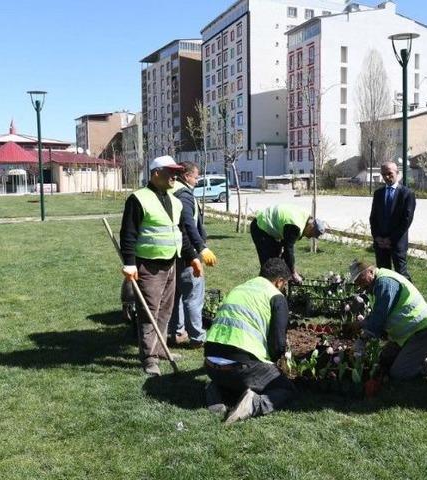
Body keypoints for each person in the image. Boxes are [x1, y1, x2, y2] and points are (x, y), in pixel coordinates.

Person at [120, 155, 204, 376]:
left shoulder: (174, 200)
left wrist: (193, 256)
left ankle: (160, 349)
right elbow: (128, 234)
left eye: (176, 172)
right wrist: (130, 264)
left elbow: (181, 233)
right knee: (149, 312)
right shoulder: (138, 199)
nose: (174, 176)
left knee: (166, 310)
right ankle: (149, 358)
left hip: (171, 264)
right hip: (148, 266)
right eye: (170, 172)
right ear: (156, 174)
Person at [203, 258, 297, 424]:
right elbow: (278, 345)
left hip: (210, 364)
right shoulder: (276, 297)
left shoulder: (239, 288)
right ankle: (254, 404)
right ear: (279, 281)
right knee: (285, 388)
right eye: (284, 285)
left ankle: (216, 389)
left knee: (232, 376)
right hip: (241, 369)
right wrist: (278, 364)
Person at [349, 261, 427, 380]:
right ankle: (422, 351)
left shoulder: (384, 283)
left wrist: (362, 340)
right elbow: (379, 311)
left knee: (399, 373)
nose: (359, 284)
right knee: (384, 359)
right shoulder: (376, 283)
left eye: (360, 279)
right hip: (408, 335)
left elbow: (380, 316)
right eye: (356, 282)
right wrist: (362, 324)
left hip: (424, 331)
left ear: (371, 272)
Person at [167, 161, 218, 348]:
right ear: (186, 175)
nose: (197, 181)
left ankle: (177, 331)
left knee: (176, 295)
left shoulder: (171, 192)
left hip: (172, 253)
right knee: (193, 296)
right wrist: (199, 250)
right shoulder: (185, 196)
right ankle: (197, 337)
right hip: (188, 253)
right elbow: (187, 226)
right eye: (196, 177)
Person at [250, 204, 326, 283]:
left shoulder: (304, 218)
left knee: (276, 262)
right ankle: (263, 287)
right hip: (261, 226)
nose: (310, 237)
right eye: (311, 234)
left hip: (269, 228)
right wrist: (293, 272)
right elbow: (288, 249)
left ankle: (275, 286)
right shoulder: (295, 225)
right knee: (269, 265)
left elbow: (285, 247)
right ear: (311, 226)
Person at [369, 161, 416, 279]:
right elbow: (373, 218)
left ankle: (409, 296)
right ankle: (387, 296)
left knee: (402, 275)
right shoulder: (378, 193)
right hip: (380, 243)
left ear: (397, 173)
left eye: (389, 173)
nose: (386, 177)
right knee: (383, 275)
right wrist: (377, 238)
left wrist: (391, 239)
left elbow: (406, 221)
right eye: (383, 174)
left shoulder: (407, 194)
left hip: (397, 242)